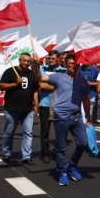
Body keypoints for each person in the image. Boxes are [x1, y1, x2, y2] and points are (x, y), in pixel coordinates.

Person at [34, 53, 90, 186]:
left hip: (76, 117)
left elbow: (86, 100)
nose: (72, 66)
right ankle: (63, 171)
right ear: (65, 65)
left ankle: (72, 166)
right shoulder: (58, 77)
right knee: (61, 147)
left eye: (74, 64)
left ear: (78, 65)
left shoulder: (83, 81)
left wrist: (89, 118)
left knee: (83, 143)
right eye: (69, 64)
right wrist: (36, 65)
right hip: (61, 117)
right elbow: (40, 77)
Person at [0, 52, 39, 164]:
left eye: (28, 61)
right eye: (24, 60)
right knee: (9, 132)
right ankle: (6, 153)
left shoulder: (32, 74)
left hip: (27, 109)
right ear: (19, 61)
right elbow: (1, 85)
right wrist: (15, 84)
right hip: (12, 109)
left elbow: (35, 90)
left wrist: (36, 103)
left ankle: (26, 156)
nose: (26, 63)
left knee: (28, 133)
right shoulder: (10, 71)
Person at [37, 50, 65, 163]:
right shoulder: (43, 69)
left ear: (58, 58)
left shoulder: (64, 70)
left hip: (60, 104)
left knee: (61, 131)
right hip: (45, 104)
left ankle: (57, 151)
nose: (50, 60)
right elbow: (42, 85)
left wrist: (56, 86)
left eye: (53, 58)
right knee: (45, 131)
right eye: (49, 58)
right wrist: (59, 87)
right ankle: (45, 153)